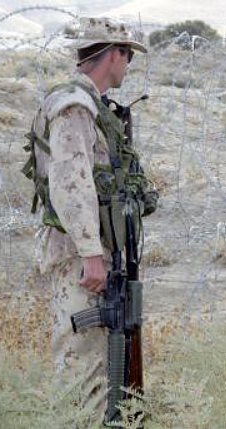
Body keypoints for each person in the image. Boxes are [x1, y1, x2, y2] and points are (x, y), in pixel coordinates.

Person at [23, 17, 155, 421]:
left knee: (101, 367)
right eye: (127, 55)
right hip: (82, 256)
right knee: (81, 372)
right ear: (112, 54)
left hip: (96, 252)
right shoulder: (75, 106)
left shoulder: (93, 106)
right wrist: (91, 253)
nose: (128, 65)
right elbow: (71, 183)